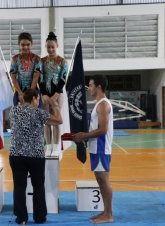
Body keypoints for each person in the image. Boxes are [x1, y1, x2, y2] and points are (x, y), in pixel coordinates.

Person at [9, 88, 62, 224]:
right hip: (35, 156)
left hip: (17, 154)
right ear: (33, 98)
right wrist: (55, 106)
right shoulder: (39, 113)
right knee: (38, 186)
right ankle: (39, 217)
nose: (38, 101)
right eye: (37, 99)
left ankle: (21, 218)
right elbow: (59, 120)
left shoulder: (13, 111)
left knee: (19, 187)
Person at [73, 75, 114, 224]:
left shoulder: (103, 104)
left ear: (98, 87)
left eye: (90, 85)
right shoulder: (98, 104)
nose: (89, 88)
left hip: (102, 148)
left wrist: (85, 135)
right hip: (96, 148)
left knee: (104, 180)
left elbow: (103, 130)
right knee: (100, 179)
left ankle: (109, 214)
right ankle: (105, 211)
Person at [39, 32, 68, 156]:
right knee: (46, 120)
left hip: (58, 93)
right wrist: (44, 93)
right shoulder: (42, 61)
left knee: (55, 120)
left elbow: (63, 77)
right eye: (48, 47)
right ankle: (48, 146)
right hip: (45, 93)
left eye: (52, 47)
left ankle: (56, 147)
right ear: (45, 47)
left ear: (57, 46)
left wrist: (57, 93)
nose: (50, 49)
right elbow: (40, 77)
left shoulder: (62, 61)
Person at [10, 32, 41, 106]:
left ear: (31, 44)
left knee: (35, 114)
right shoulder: (15, 59)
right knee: (19, 115)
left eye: (28, 45)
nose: (26, 47)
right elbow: (13, 78)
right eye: (23, 45)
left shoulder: (37, 59)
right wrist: (20, 93)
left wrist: (29, 94)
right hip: (19, 90)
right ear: (19, 45)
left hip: (33, 90)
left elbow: (35, 78)